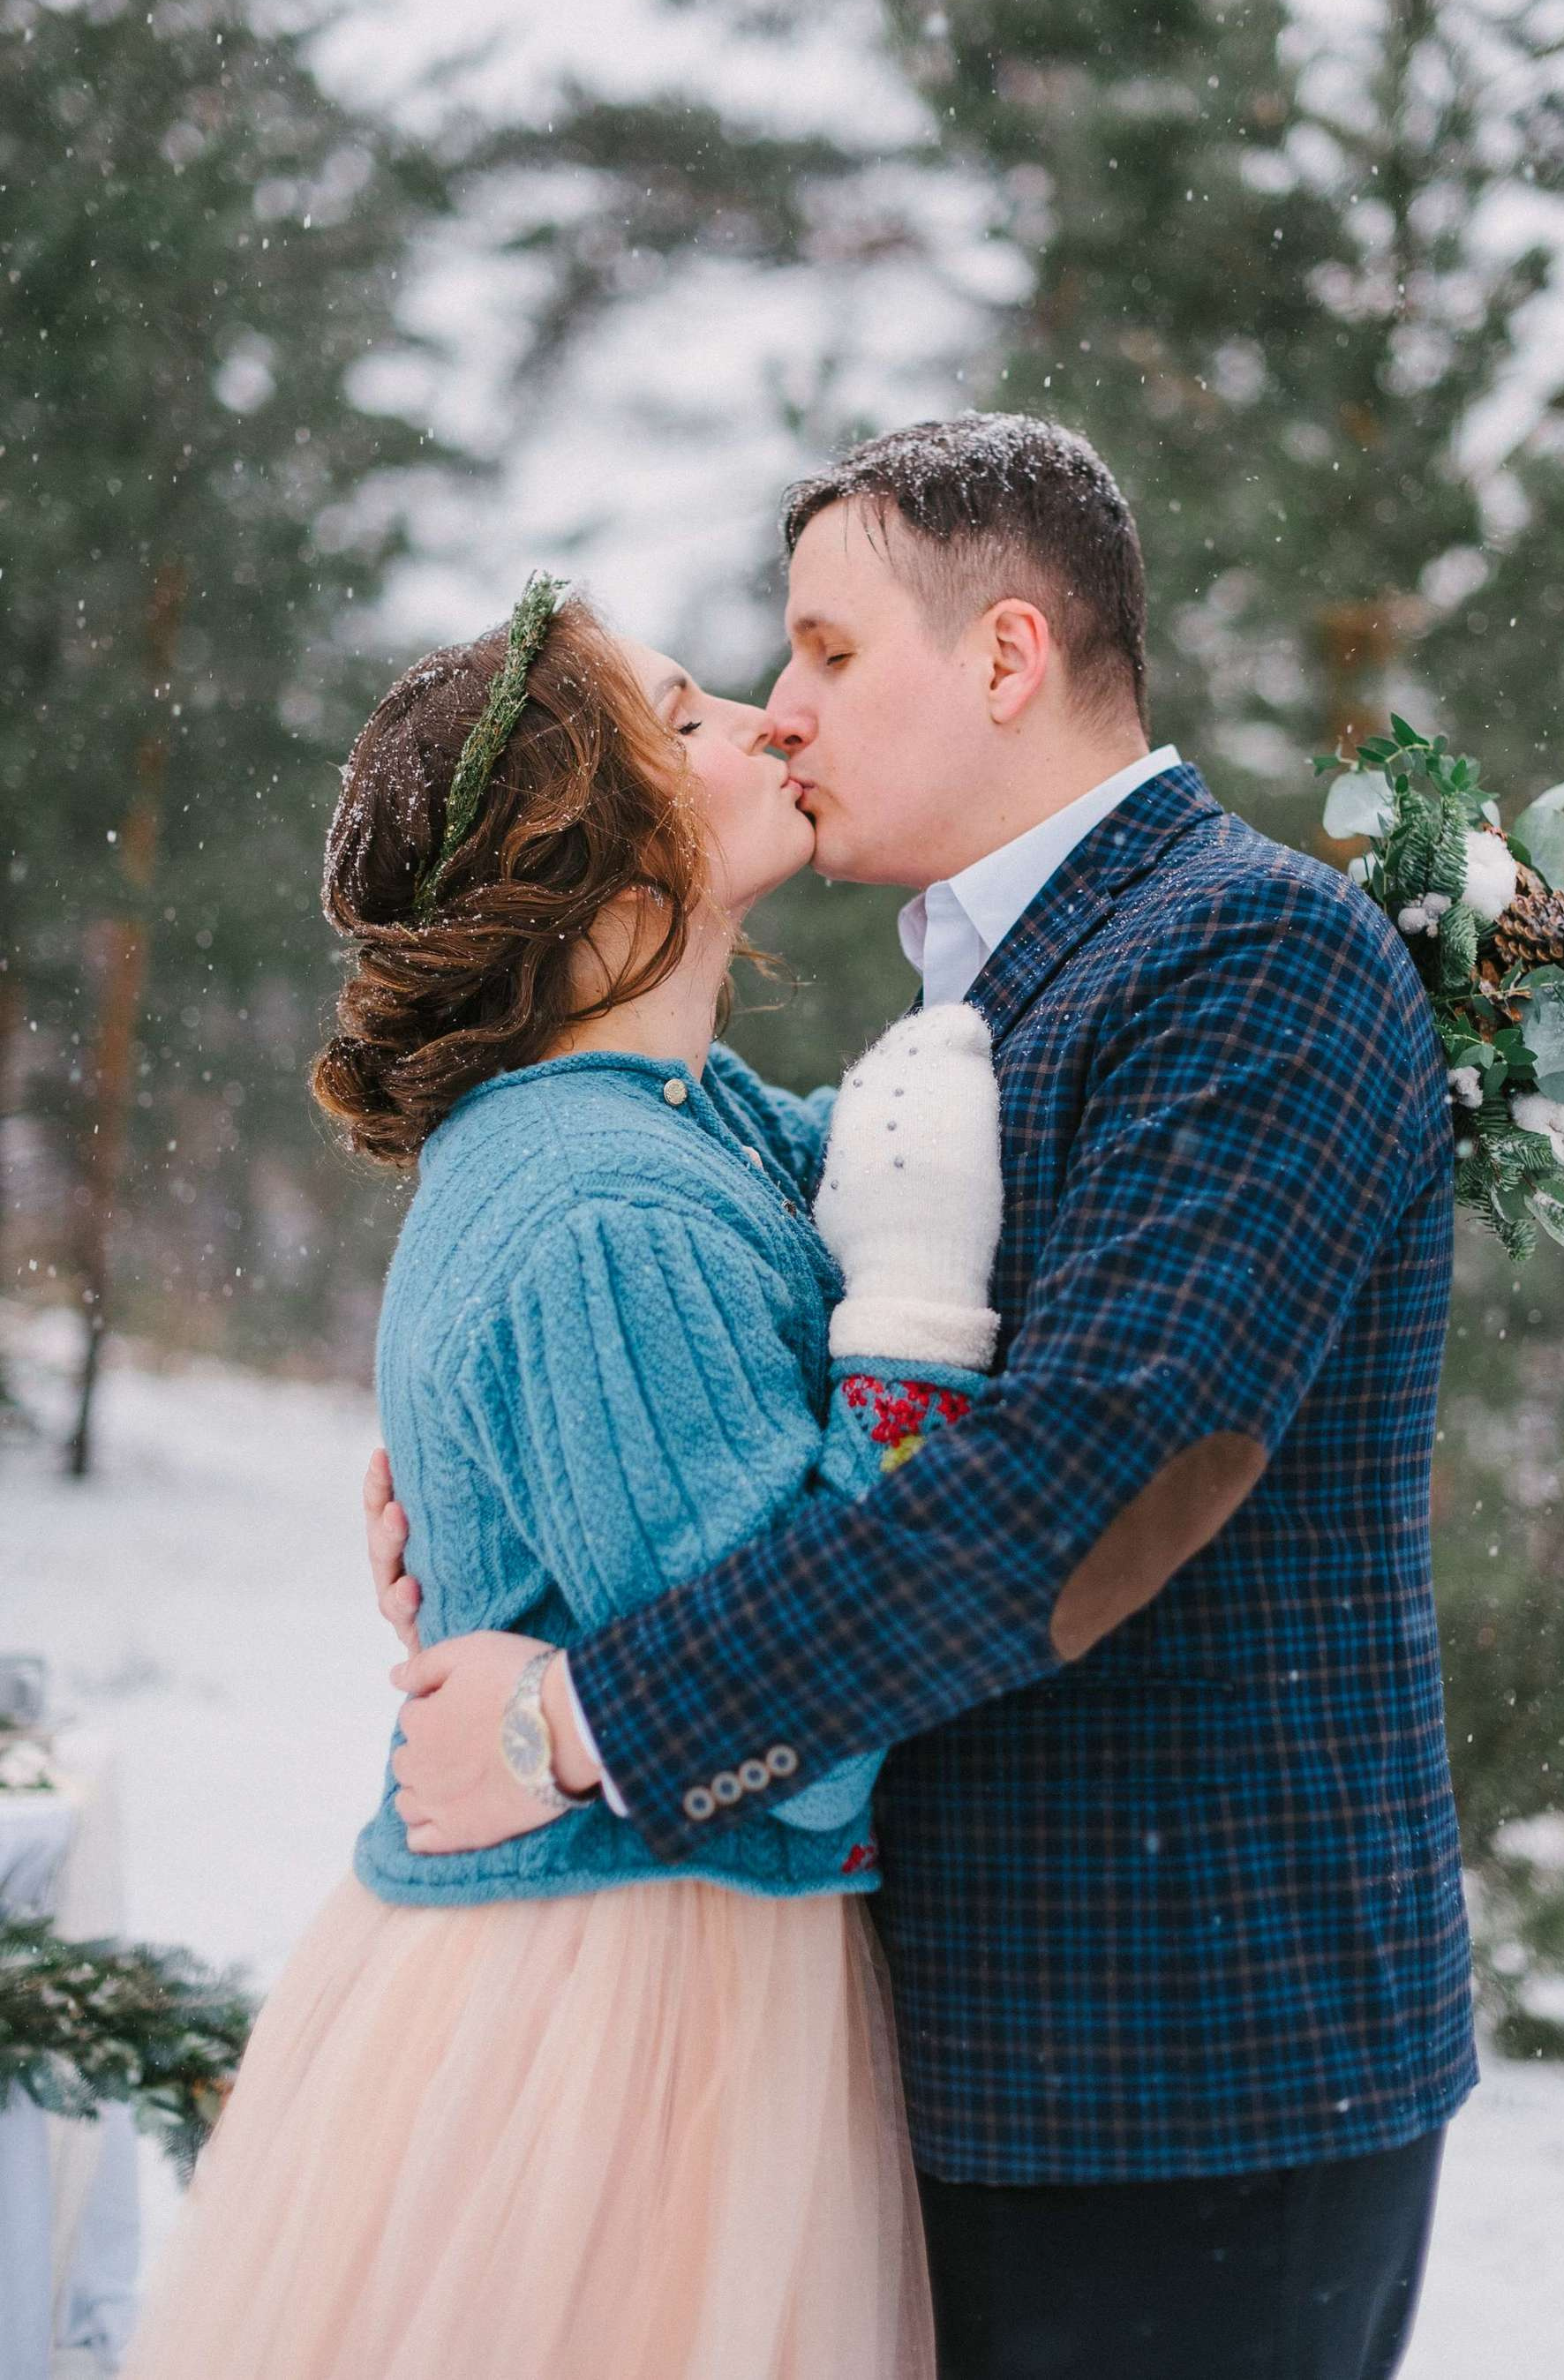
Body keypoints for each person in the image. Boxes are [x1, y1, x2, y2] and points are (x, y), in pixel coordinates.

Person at [374, 416, 1479, 2380]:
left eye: (828, 649)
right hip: (971, 2053)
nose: (785, 709)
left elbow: (1101, 1473)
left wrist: (587, 1717)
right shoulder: (990, 998)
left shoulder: (1246, 953)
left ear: (1006, 655)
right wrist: (495, 1477)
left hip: (1186, 2066)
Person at [120, 576, 1007, 2380]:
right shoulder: (601, 1205)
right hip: (630, 2026)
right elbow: (799, 1724)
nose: (766, 716)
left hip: (650, 1963)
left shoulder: (673, 1118)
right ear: (590, 869)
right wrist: (916, 1328)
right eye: (683, 717)